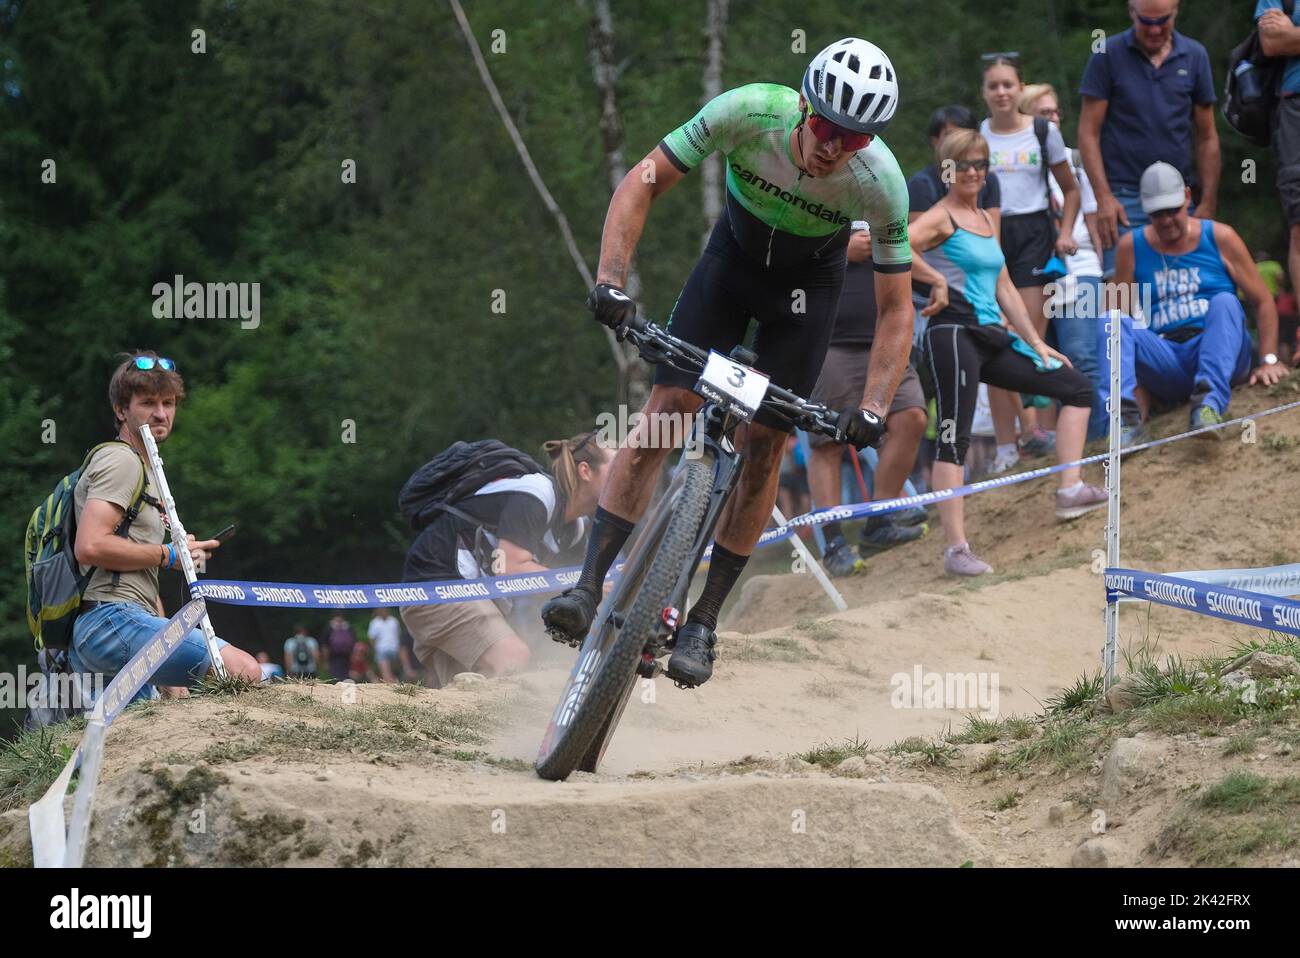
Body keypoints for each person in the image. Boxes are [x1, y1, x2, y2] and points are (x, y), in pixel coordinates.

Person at [542, 38, 915, 688]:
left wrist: (876, 406)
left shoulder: (882, 182)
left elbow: (896, 309)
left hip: (808, 295)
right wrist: (611, 281)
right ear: (804, 107)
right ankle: (587, 585)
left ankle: (705, 622)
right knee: (666, 412)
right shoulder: (748, 111)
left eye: (852, 140)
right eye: (826, 127)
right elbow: (644, 180)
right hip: (731, 268)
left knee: (767, 444)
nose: (833, 146)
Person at [910, 130, 1107, 576]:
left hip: (991, 333)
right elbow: (899, 244)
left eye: (981, 165)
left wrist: (1037, 344)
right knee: (953, 435)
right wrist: (935, 282)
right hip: (953, 332)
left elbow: (1004, 288)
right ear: (947, 170)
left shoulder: (982, 217)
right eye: (965, 166)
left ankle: (1070, 488)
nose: (975, 173)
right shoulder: (942, 216)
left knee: (1074, 386)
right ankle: (956, 549)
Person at [70, 351, 260, 701]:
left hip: (120, 621)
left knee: (148, 734)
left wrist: (170, 678)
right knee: (243, 670)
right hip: (110, 621)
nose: (161, 414)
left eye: (168, 403)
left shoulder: (146, 468)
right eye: (147, 403)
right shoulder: (121, 460)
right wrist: (168, 553)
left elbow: (143, 578)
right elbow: (90, 546)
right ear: (120, 410)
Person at [402, 432, 612, 687]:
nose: (627, 479)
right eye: (616, 468)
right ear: (585, 471)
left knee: (464, 694)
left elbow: (566, 592)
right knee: (512, 658)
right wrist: (586, 585)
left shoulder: (575, 529)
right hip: (440, 587)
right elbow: (511, 568)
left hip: (473, 597)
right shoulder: (537, 492)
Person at [1098, 162, 1288, 441]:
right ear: (1145, 209)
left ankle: (1208, 406)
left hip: (1220, 347)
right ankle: (1123, 421)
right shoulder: (1131, 247)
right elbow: (1119, 322)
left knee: (1225, 301)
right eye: (1156, 213)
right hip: (1168, 354)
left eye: (1172, 210)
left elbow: (1262, 301)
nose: (1165, 220)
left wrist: (1269, 359)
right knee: (1110, 319)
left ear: (1187, 197)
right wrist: (1139, 386)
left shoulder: (1220, 236)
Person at [808, 222, 929, 577]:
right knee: (828, 441)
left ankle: (878, 520)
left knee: (912, 417)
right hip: (830, 342)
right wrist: (838, 253)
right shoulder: (810, 189)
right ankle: (832, 543)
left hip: (885, 338)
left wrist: (937, 279)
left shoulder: (885, 193)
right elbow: (783, 261)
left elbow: (904, 248)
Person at [980, 55, 1081, 465]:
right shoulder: (977, 139)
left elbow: (1070, 189)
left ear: (1021, 88)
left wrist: (1066, 231)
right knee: (996, 337)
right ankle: (1013, 442)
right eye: (993, 86)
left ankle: (1040, 431)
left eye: (1008, 84)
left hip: (1036, 234)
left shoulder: (1044, 131)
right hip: (990, 236)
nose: (1002, 92)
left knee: (1028, 336)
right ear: (984, 93)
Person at [1078, 0, 1219, 277]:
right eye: (1146, 22)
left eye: (1162, 21)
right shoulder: (1107, 54)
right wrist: (1103, 198)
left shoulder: (1194, 55)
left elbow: (1207, 137)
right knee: (1120, 295)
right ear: (1132, 13)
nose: (1155, 30)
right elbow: (1087, 133)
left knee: (1182, 286)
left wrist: (1208, 203)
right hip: (1123, 200)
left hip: (1178, 199)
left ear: (1176, 12)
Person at [1023, 83, 1107, 439]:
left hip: (1078, 267)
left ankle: (1101, 436)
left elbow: (1092, 220)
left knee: (1082, 353)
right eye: (1045, 113)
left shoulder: (1073, 159)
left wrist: (1103, 274)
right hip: (1034, 274)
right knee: (1048, 362)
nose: (1055, 118)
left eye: (1057, 112)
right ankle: (1059, 443)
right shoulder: (1017, 166)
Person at [1259, 3, 1300, 320]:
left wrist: (1293, 35)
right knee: (1299, 225)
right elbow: (1271, 42)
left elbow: (1285, 40)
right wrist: (1283, 37)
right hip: (1293, 107)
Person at [368, 608, 401, 683]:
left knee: (394, 672)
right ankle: (389, 685)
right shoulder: (375, 622)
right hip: (381, 649)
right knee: (386, 672)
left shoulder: (394, 621)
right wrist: (375, 648)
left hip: (394, 649)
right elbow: (372, 638)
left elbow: (398, 635)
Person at [321, 614, 356, 682]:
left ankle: (338, 687)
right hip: (347, 656)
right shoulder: (348, 628)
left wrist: (325, 660)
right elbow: (353, 643)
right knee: (345, 676)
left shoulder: (329, 628)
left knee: (336, 676)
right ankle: (345, 689)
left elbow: (325, 646)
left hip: (333, 656)